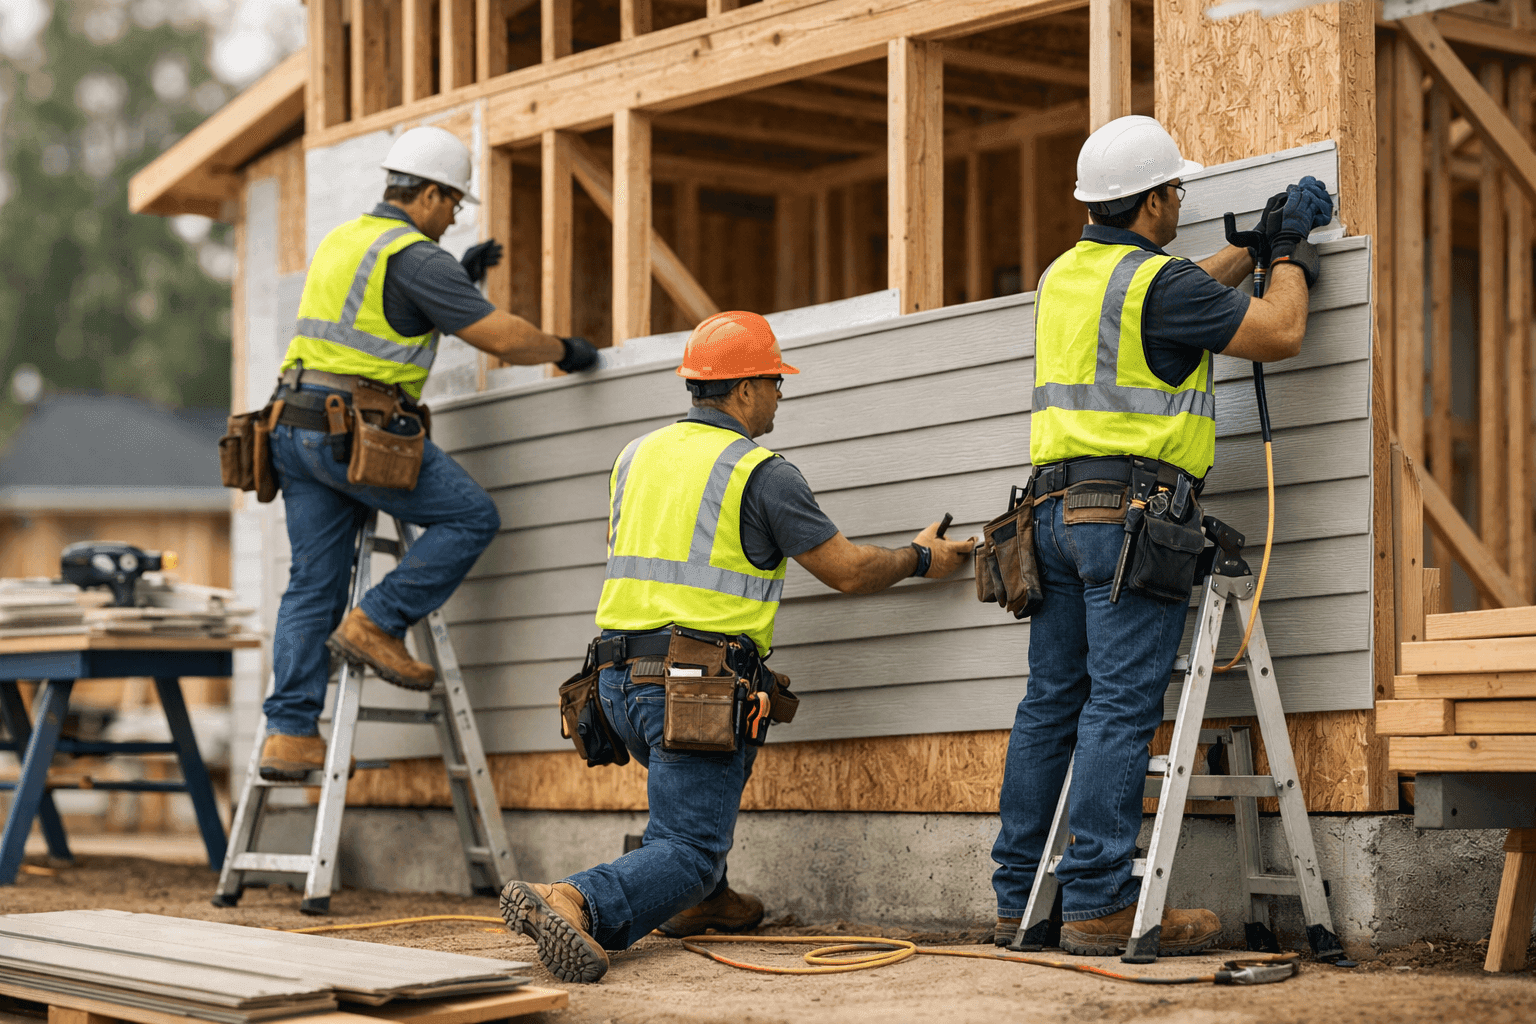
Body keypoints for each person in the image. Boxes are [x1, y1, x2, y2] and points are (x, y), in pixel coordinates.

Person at [498, 310, 976, 983]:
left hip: (613, 682)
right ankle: (576, 898)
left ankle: (703, 900)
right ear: (746, 389)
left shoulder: (635, 455)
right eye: (776, 382)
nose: (782, 394)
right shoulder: (761, 472)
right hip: (691, 686)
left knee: (692, 807)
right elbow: (847, 571)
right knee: (687, 845)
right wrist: (921, 559)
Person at [990, 115, 1333, 956]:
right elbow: (1278, 332)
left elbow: (1176, 292)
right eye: (1176, 188)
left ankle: (1018, 898)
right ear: (1151, 200)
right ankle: (1100, 905)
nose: (1182, 198)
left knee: (1050, 706)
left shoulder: (1069, 275)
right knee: (1119, 704)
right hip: (1129, 521)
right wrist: (1287, 256)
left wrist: (1246, 252)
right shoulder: (1159, 286)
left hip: (1053, 520)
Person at [258, 126, 599, 781]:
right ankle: (377, 622)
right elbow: (502, 336)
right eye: (453, 204)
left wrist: (454, 284)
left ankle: (290, 734)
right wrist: (563, 349)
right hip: (352, 432)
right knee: (471, 516)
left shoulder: (345, 240)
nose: (452, 219)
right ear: (432, 194)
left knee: (311, 583)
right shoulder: (417, 257)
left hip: (291, 429)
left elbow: (374, 316)